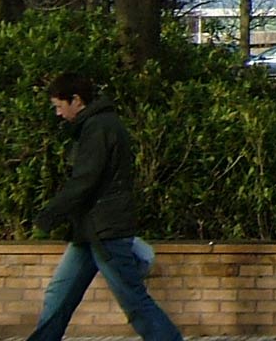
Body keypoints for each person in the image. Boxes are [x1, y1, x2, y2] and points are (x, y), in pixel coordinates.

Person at [28, 74, 183, 341]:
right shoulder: (98, 125)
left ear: (76, 100)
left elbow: (86, 179)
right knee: (59, 295)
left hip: (105, 231)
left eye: (59, 106)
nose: (58, 113)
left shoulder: (98, 128)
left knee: (134, 301)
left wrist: (49, 215)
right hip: (90, 231)